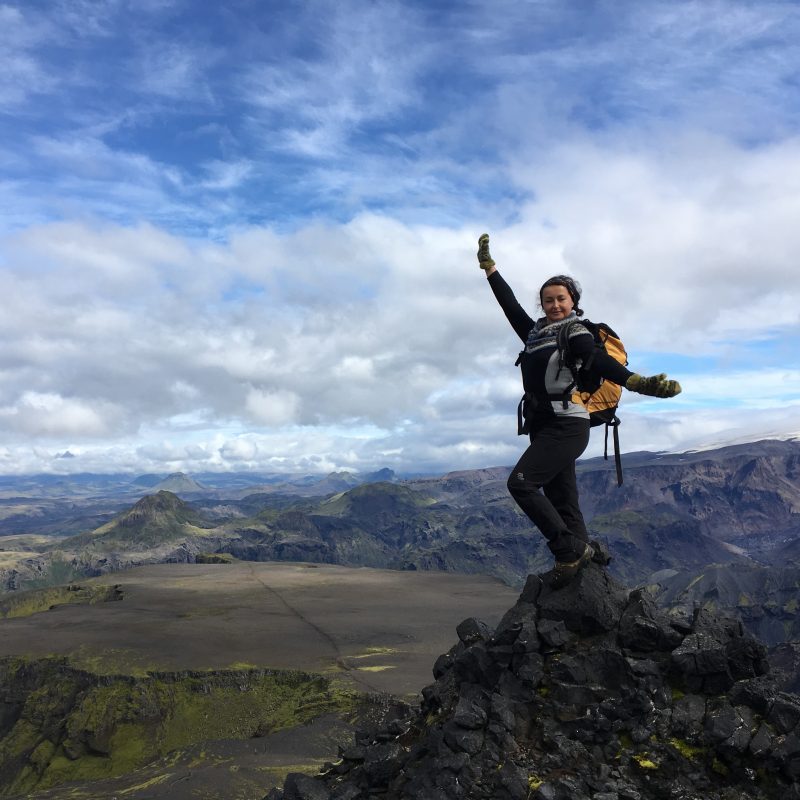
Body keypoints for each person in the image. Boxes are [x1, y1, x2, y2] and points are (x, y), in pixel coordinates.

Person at [476, 233, 681, 588]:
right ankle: (580, 568)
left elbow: (597, 359)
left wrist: (636, 382)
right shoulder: (534, 333)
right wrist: (489, 268)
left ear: (573, 302)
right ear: (541, 305)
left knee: (521, 484)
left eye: (561, 299)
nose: (554, 305)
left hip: (567, 425)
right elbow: (508, 305)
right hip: (542, 427)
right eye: (548, 300)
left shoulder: (575, 332)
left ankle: (568, 549)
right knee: (563, 500)